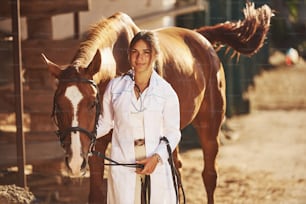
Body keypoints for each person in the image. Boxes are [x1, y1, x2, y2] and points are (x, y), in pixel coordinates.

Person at [96, 30, 181, 204]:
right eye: (135, 52)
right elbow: (105, 123)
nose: (139, 57)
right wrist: (80, 135)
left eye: (145, 52)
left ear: (155, 55)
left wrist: (157, 157)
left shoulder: (166, 91)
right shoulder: (115, 87)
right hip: (123, 161)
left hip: (154, 159)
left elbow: (173, 133)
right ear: (129, 55)